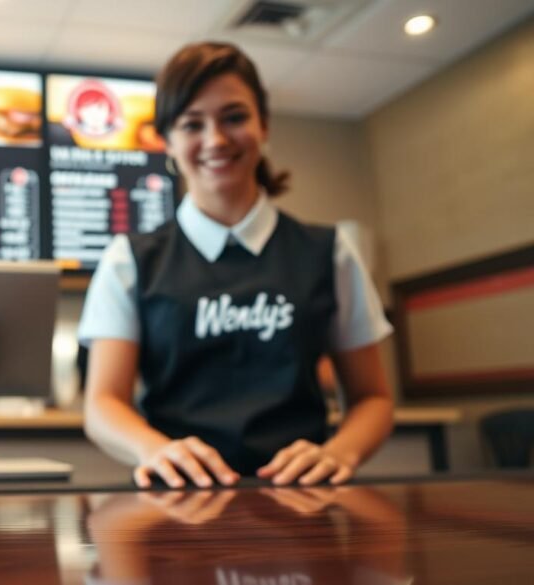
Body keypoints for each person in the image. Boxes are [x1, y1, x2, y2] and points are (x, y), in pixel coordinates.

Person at [79, 42, 394, 489]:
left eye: (234, 117)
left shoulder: (331, 252)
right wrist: (155, 449)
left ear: (264, 125)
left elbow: (373, 398)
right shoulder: (128, 260)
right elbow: (103, 404)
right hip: (178, 508)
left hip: (302, 505)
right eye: (192, 124)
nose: (216, 140)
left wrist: (339, 452)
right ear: (167, 140)